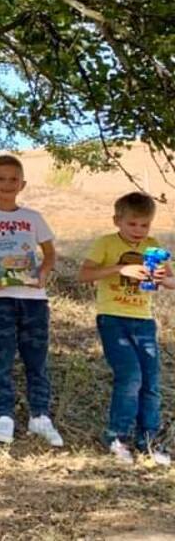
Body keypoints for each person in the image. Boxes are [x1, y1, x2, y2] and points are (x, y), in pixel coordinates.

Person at [0, 154, 62, 447]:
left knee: (37, 360)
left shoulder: (34, 218)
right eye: (1, 179)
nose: (7, 184)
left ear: (23, 183)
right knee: (1, 359)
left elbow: (50, 253)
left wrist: (43, 272)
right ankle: (3, 417)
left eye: (13, 179)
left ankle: (40, 417)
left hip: (33, 299)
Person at [76, 192, 174, 466]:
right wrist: (121, 269)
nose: (138, 231)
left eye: (145, 225)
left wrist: (163, 278)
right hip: (113, 318)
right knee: (130, 376)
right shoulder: (105, 243)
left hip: (143, 320)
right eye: (133, 225)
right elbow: (84, 274)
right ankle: (117, 437)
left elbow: (171, 280)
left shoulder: (153, 246)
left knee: (151, 381)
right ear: (118, 220)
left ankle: (149, 440)